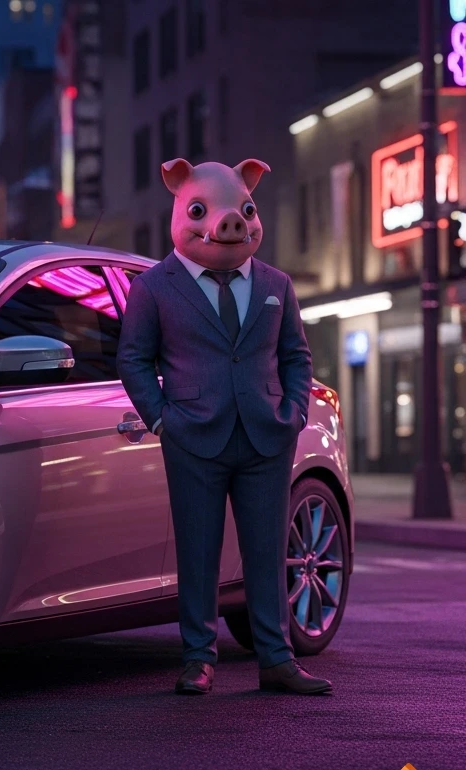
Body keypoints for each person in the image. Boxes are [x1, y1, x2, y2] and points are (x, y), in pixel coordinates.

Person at [117, 157, 332, 696]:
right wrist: (162, 417)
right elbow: (134, 359)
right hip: (192, 435)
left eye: (244, 210)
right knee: (198, 551)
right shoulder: (154, 287)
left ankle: (276, 659)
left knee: (267, 551)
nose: (231, 224)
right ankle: (198, 658)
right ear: (179, 204)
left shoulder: (276, 284)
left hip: (266, 434)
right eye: (201, 210)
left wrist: (296, 412)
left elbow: (296, 357)